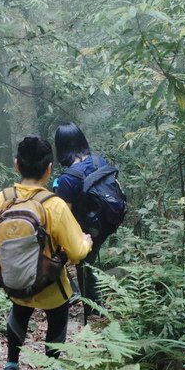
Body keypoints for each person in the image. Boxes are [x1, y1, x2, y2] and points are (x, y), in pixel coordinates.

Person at [0, 135, 92, 370]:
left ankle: (10, 366)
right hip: (48, 283)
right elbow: (75, 252)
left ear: (17, 165)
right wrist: (86, 241)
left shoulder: (1, 198)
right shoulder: (55, 205)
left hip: (14, 280)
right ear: (49, 168)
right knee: (58, 316)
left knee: (19, 311)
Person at [52, 122, 110, 317]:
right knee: (87, 263)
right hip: (105, 221)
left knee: (74, 261)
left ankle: (92, 309)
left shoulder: (68, 179)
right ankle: (85, 300)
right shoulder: (99, 161)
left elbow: (62, 216)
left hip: (85, 228)